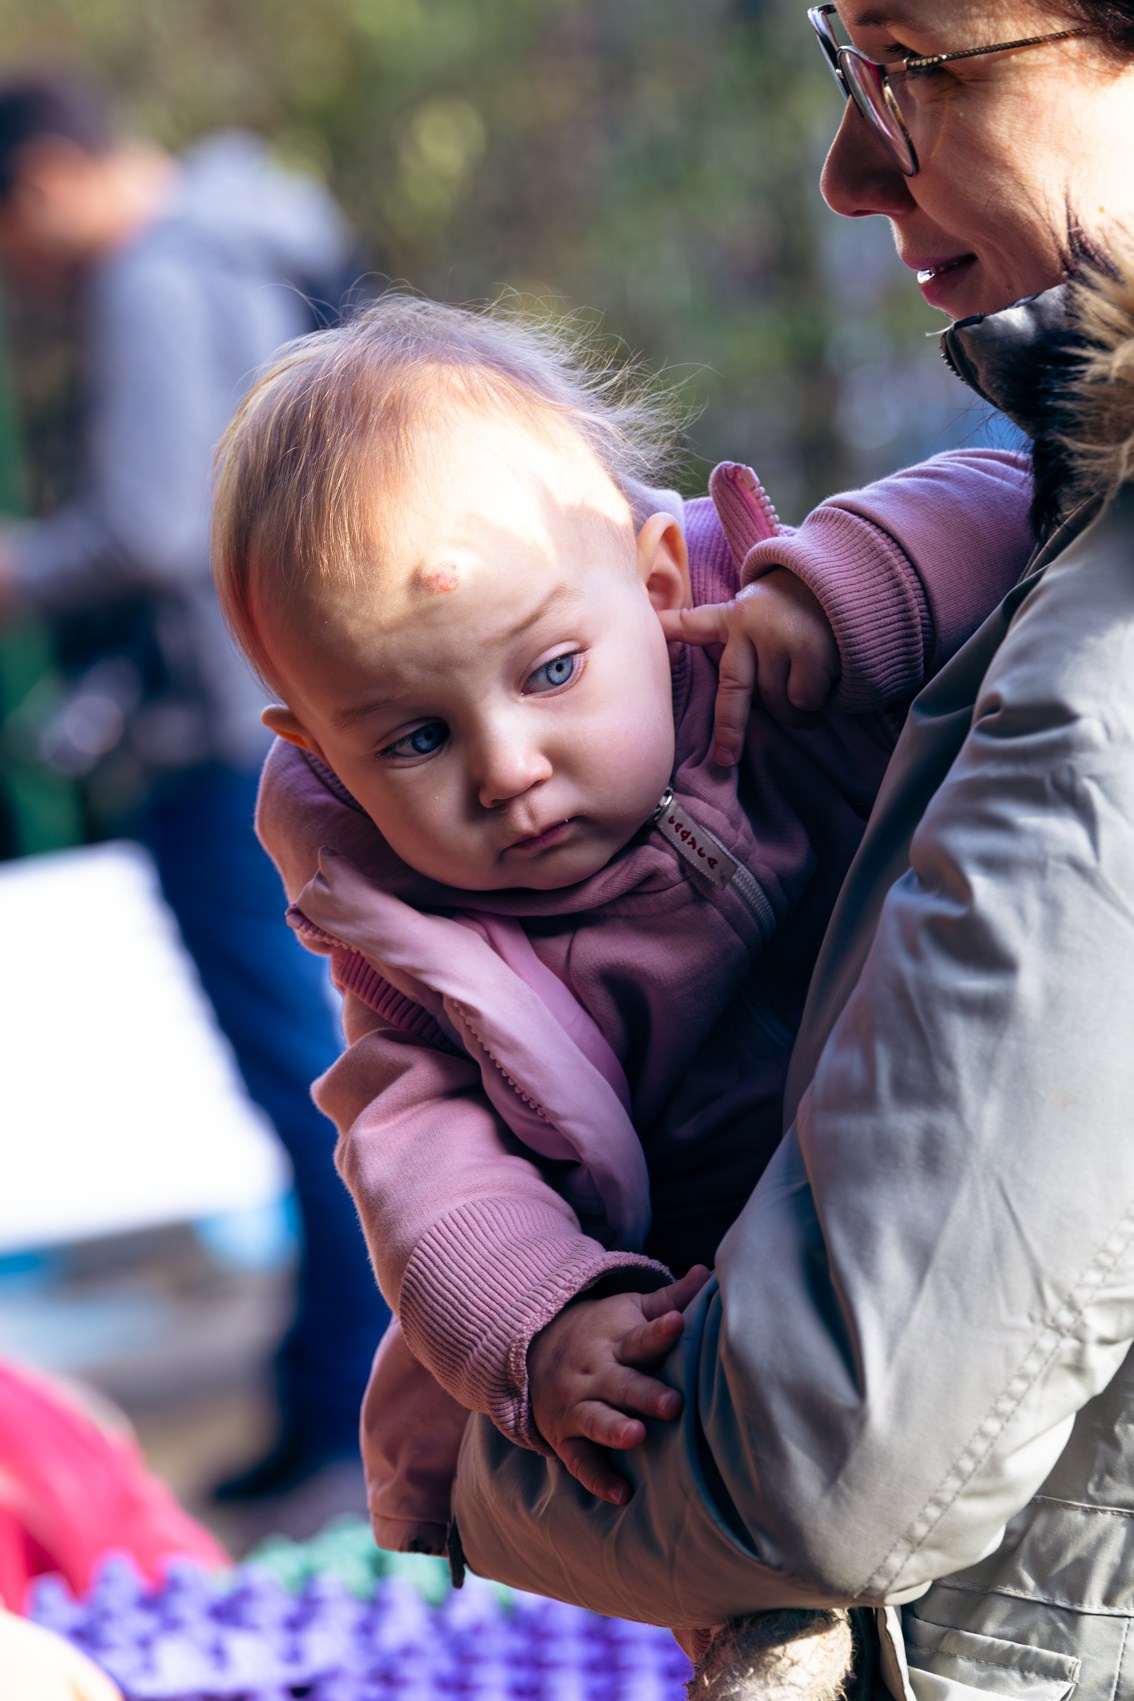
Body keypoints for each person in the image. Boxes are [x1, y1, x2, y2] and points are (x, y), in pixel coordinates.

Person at [439, 7, 1134, 1700]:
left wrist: (469, 1457)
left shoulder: (1106, 679)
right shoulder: (1052, 526)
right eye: (844, 60)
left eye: (907, 59)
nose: (845, 168)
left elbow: (828, 1458)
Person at [211, 293, 1033, 1688]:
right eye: (413, 735)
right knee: (677, 1450)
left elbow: (1016, 504)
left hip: (936, 1145)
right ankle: (765, 1624)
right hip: (711, 1291)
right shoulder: (416, 943)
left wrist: (846, 592)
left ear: (656, 584)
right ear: (323, 755)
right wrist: (540, 1318)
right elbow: (424, 1167)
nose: (508, 765)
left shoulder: (768, 658)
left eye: (549, 671)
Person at [0, 72, 391, 1502]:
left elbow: (157, 525)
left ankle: (354, 1392)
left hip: (223, 733)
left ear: (44, 180)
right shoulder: (256, 231)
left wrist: (20, 564)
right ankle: (343, 1375)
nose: (23, 276)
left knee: (305, 1067)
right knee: (342, 1052)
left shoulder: (149, 278)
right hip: (306, 703)